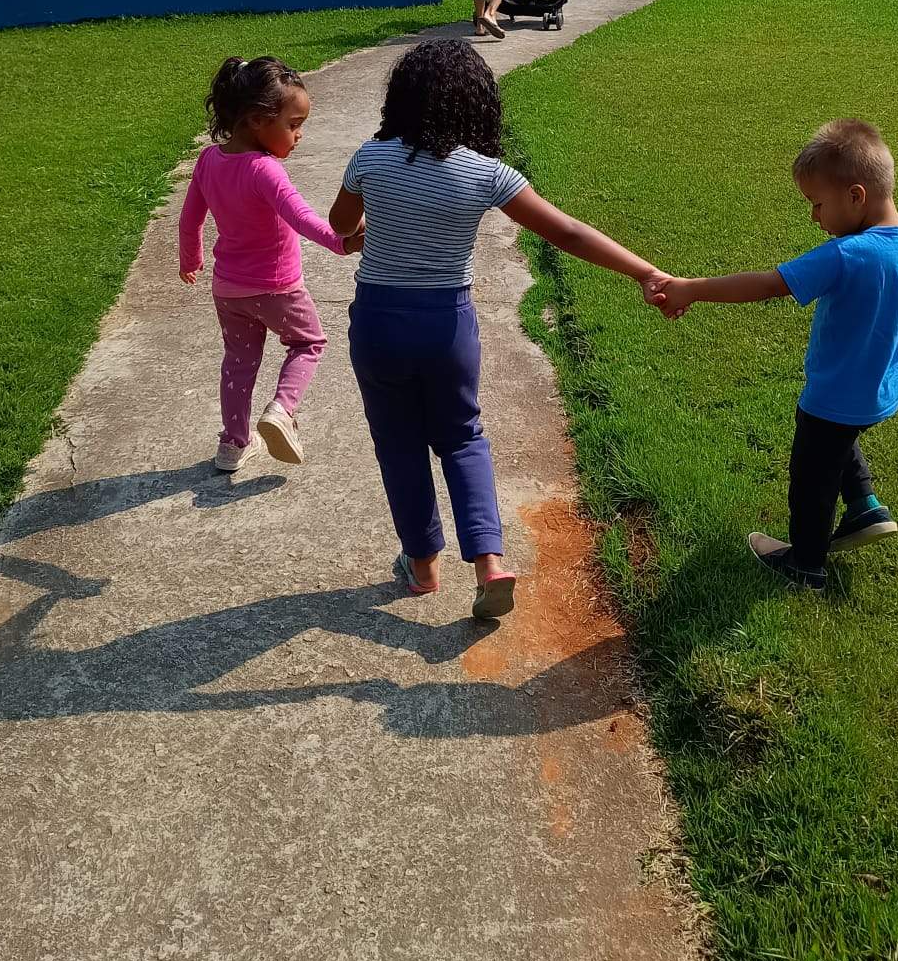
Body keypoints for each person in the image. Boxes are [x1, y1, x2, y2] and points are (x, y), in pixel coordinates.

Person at [329, 38, 667, 622]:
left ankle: (423, 564)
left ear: (400, 100)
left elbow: (342, 227)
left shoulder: (370, 157)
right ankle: (489, 563)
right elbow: (568, 233)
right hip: (446, 325)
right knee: (462, 435)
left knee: (398, 441)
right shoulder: (486, 174)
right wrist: (644, 270)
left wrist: (373, 233)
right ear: (478, 105)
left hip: (381, 321)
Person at [654, 119, 898, 591]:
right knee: (839, 441)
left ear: (855, 196)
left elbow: (768, 284)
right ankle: (866, 506)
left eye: (817, 205)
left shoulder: (847, 254)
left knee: (812, 478)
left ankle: (806, 563)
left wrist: (692, 289)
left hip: (832, 395)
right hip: (881, 392)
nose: (814, 218)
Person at [179, 56, 360, 474]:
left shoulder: (209, 160)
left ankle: (232, 445)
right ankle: (282, 410)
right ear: (259, 120)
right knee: (308, 343)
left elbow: (190, 219)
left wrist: (191, 259)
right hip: (278, 288)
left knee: (238, 363)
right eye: (293, 125)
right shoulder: (266, 171)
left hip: (228, 289)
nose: (299, 135)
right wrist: (342, 242)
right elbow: (301, 217)